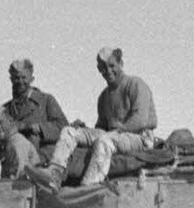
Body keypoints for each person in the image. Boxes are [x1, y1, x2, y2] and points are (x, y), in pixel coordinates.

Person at [25, 47, 156, 191]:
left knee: (104, 141)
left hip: (139, 138)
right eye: (103, 68)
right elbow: (101, 127)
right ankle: (54, 174)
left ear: (121, 63)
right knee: (70, 131)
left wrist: (114, 132)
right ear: (99, 70)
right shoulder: (104, 96)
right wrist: (84, 129)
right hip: (115, 136)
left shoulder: (135, 84)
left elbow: (140, 121)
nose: (108, 71)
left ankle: (89, 187)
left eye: (112, 66)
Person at [3, 59, 69, 154]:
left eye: (24, 77)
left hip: (44, 159)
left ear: (31, 79)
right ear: (11, 80)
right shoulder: (5, 110)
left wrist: (37, 128)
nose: (20, 81)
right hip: (16, 159)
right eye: (16, 78)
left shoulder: (46, 100)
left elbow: (63, 127)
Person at [0, 105, 38, 179]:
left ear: (9, 120)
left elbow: (16, 182)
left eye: (0, 122)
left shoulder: (16, 144)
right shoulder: (7, 143)